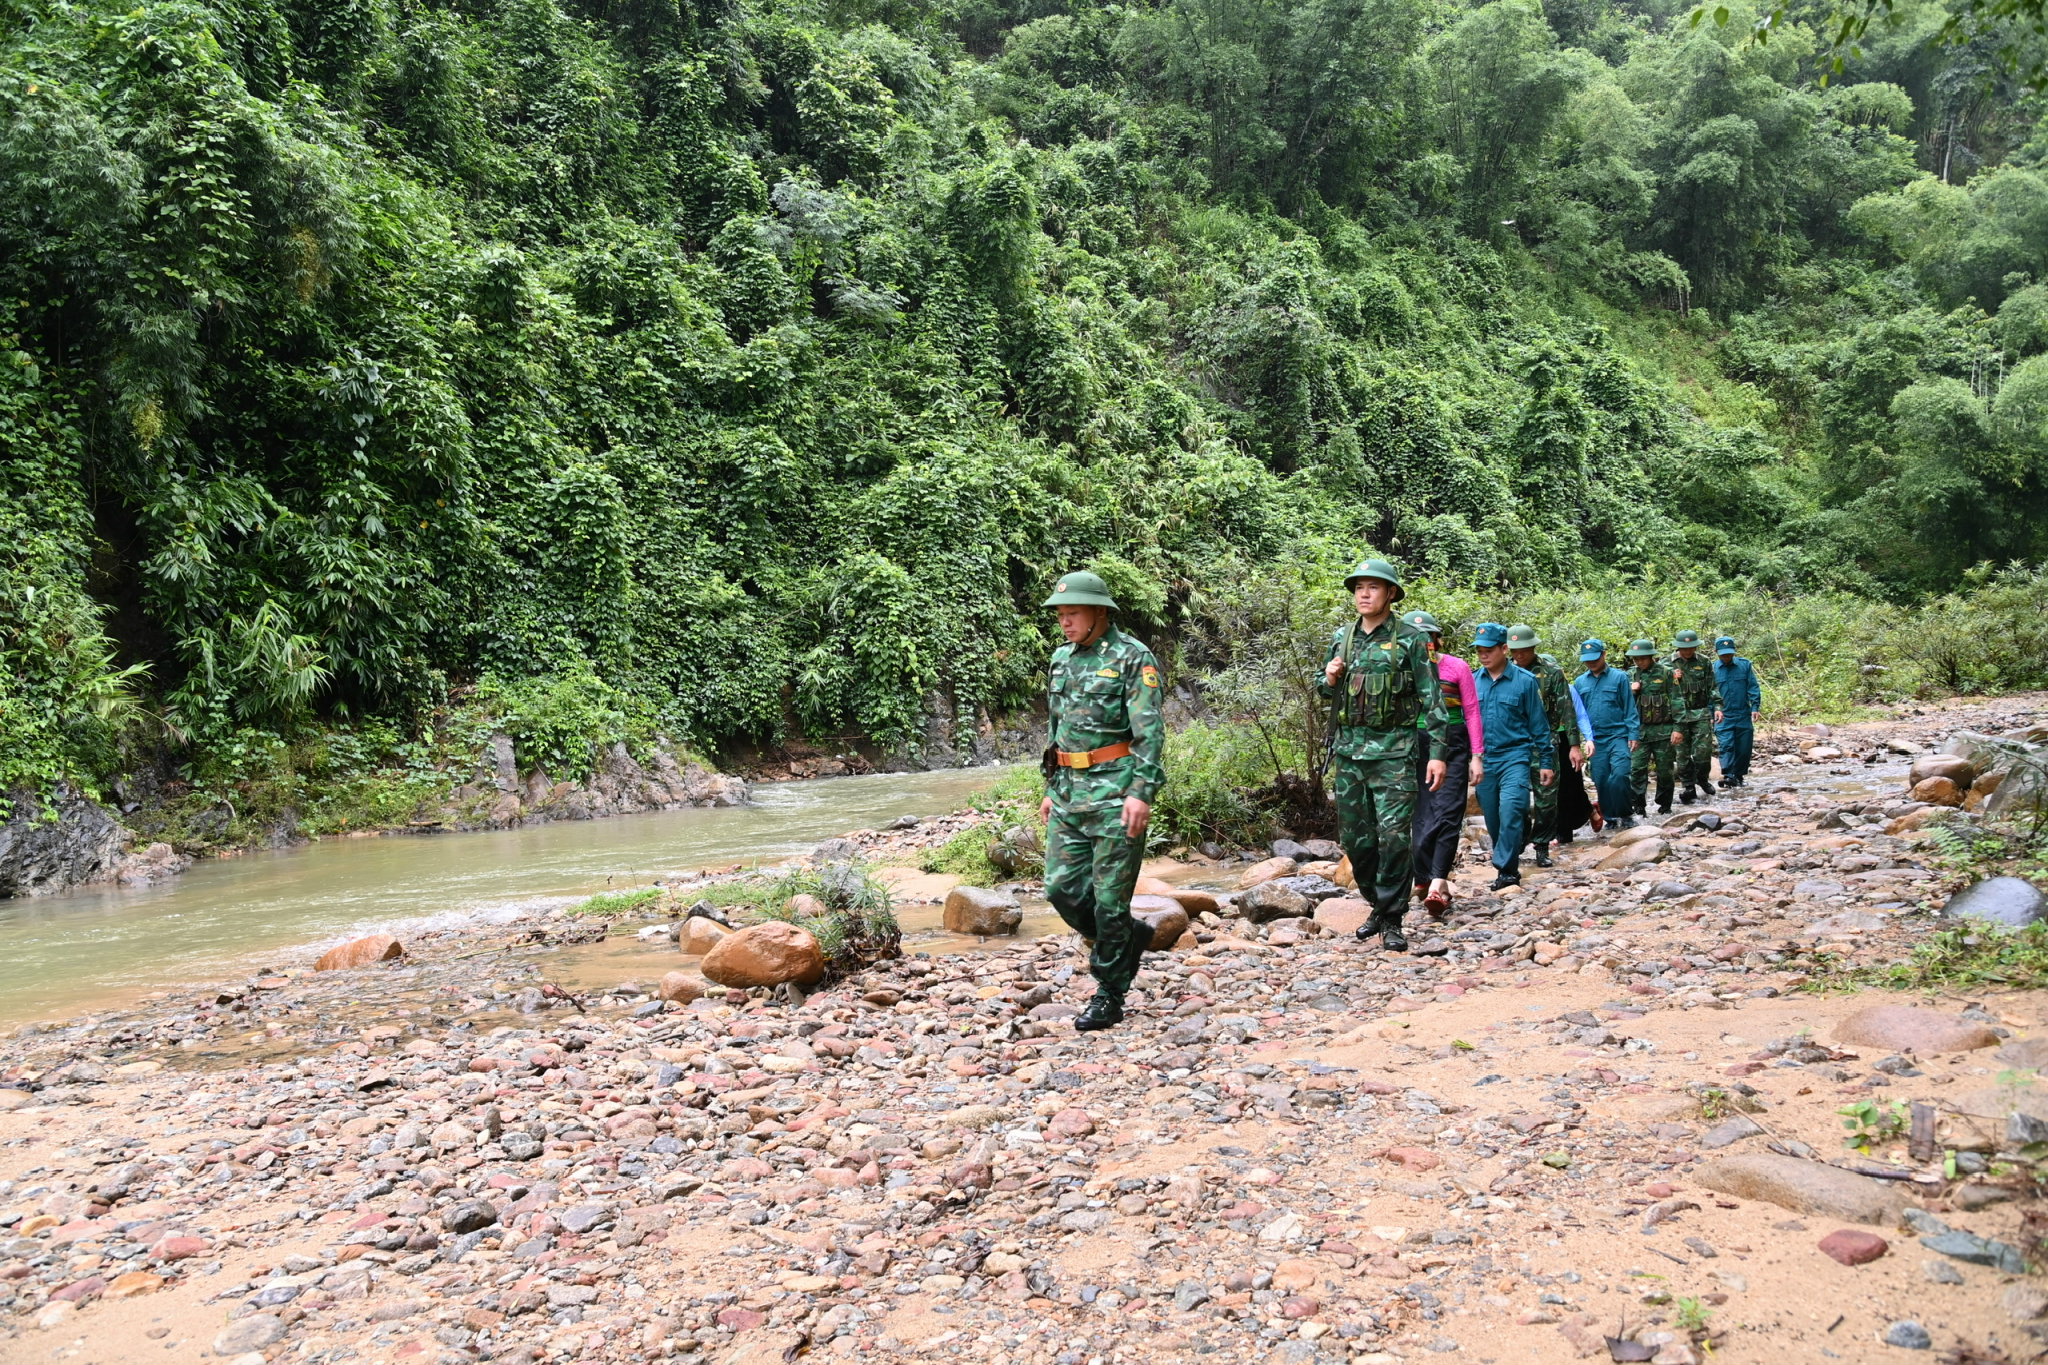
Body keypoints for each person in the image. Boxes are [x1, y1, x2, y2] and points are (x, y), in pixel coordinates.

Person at [1035, 571, 1167, 1031]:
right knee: (1061, 890)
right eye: (1060, 615)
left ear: (1099, 613)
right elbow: (1056, 729)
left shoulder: (1133, 657)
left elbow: (1149, 732)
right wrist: (1051, 788)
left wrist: (1141, 792)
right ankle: (1129, 939)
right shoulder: (1061, 660)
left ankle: (1110, 992)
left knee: (1110, 903)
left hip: (1116, 792)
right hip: (1070, 791)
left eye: (1072, 614)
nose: (1064, 622)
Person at [1318, 559, 1450, 952]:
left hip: (1395, 754)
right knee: (1357, 841)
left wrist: (1438, 754)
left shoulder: (1410, 639)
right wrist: (1328, 677)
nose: (1363, 593)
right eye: (1359, 587)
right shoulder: (1343, 638)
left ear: (1390, 593)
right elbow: (1325, 691)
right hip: (1350, 755)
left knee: (1393, 837)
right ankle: (1378, 904)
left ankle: (1392, 918)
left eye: (1373, 587)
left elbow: (1434, 701)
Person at [1405, 609, 1485, 914]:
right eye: (1415, 638)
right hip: (1416, 745)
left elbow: (1472, 712)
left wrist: (1476, 756)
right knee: (1422, 814)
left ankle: (1438, 882)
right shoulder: (1403, 670)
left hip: (1454, 744)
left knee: (1450, 813)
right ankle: (1422, 877)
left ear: (1438, 639)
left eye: (1428, 637)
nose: (1424, 643)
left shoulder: (1457, 667)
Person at [1471, 623, 1553, 889]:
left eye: (1489, 650)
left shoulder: (1525, 682)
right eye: (1479, 650)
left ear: (1504, 649)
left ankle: (1506, 870)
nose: (1483, 655)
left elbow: (1539, 726)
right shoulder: (1472, 682)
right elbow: (1465, 724)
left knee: (1512, 808)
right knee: (1493, 817)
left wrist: (1547, 762)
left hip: (1515, 756)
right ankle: (1510, 850)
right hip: (1484, 759)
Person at [1506, 624, 1592, 866]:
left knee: (1546, 798)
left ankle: (1542, 845)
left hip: (1547, 741)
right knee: (1515, 797)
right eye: (1514, 650)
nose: (1519, 655)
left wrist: (1575, 745)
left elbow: (1568, 710)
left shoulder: (1552, 672)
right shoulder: (1505, 670)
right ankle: (1519, 839)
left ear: (1533, 647)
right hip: (1515, 743)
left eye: (1523, 650)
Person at [1572, 639, 1639, 830]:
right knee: (1601, 779)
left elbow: (1629, 707)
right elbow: (1577, 713)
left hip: (1618, 735)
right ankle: (1610, 817)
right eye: (1587, 660)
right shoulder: (1580, 682)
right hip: (1595, 739)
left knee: (1619, 776)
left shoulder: (1619, 677)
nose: (1591, 663)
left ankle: (1625, 813)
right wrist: (1578, 741)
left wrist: (1633, 734)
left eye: (1595, 658)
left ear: (1604, 655)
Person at [1625, 638, 1683, 817]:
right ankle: (1638, 807)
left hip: (1663, 731)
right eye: (1636, 659)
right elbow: (1623, 703)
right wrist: (1632, 690)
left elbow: (1677, 700)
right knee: (1636, 770)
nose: (1639, 662)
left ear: (1651, 656)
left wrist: (1678, 728)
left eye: (1643, 658)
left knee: (1665, 771)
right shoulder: (1629, 675)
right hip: (1639, 732)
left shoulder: (1666, 673)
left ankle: (1665, 806)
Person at [1666, 629, 1719, 804]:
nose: (1688, 651)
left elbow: (1712, 686)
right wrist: (1671, 678)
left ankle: (1702, 779)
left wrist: (1718, 706)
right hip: (1678, 716)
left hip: (1700, 712)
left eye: (1691, 648)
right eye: (1684, 648)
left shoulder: (1704, 662)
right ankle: (1688, 786)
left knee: (1703, 752)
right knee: (1682, 754)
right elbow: (1659, 689)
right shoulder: (1667, 663)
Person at [1713, 636, 1763, 788]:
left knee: (1743, 747)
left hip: (1743, 714)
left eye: (1729, 654)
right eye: (1723, 654)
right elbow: (1709, 692)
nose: (1727, 657)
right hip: (1723, 715)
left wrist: (1755, 707)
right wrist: (1714, 710)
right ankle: (1728, 775)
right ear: (1717, 653)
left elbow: (1752, 687)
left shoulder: (1744, 666)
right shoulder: (1711, 669)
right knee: (1726, 745)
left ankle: (1739, 776)